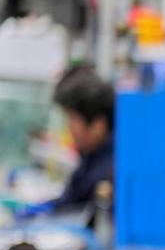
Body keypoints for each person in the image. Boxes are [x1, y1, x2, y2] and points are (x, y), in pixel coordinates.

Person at [41, 65, 115, 224]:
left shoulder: (108, 170)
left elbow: (76, 204)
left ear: (98, 125)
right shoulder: (92, 157)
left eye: (73, 118)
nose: (69, 127)